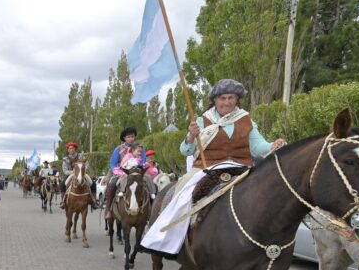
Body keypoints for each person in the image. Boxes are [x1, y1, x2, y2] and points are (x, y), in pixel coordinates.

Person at [141, 79, 286, 257]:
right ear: (215, 100)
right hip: (207, 167)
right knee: (183, 191)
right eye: (222, 98)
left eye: (231, 98)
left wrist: (273, 146)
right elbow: (186, 150)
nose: (226, 102)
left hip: (240, 167)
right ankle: (171, 236)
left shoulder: (246, 120)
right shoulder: (202, 121)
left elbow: (258, 148)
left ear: (237, 99)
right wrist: (191, 136)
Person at [103, 127, 157, 217]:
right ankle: (108, 209)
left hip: (138, 172)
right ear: (124, 138)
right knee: (112, 185)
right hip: (122, 172)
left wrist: (139, 169)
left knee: (151, 182)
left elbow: (143, 160)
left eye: (132, 136)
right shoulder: (118, 149)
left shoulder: (141, 148)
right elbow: (113, 163)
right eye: (128, 137)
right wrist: (117, 173)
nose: (131, 139)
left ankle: (152, 208)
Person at [60, 142, 98, 209]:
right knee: (62, 184)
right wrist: (73, 172)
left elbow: (87, 165)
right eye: (70, 148)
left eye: (72, 148)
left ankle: (94, 201)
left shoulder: (81, 156)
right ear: (68, 150)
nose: (71, 149)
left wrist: (82, 171)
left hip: (82, 173)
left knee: (93, 183)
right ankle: (63, 201)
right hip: (71, 174)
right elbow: (65, 170)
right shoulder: (65, 159)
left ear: (75, 149)